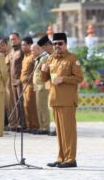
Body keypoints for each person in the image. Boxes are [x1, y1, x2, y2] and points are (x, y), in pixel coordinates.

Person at [41, 33, 84, 168]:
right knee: (59, 132)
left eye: (60, 43)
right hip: (55, 99)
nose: (57, 46)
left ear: (65, 44)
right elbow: (44, 79)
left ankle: (71, 159)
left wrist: (63, 79)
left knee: (68, 131)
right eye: (54, 44)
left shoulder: (72, 59)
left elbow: (79, 78)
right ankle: (61, 158)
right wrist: (43, 71)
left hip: (67, 100)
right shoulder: (50, 59)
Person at [37, 35, 57, 136]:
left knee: (58, 108)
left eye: (44, 47)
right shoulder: (47, 56)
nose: (43, 50)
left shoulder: (57, 54)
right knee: (53, 108)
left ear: (49, 45)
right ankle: (57, 128)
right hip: (51, 86)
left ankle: (60, 128)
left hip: (59, 85)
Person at [20, 37, 39, 133]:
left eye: (24, 45)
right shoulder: (25, 56)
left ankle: (35, 126)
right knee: (26, 106)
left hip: (30, 84)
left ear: (30, 45)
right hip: (24, 84)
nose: (22, 47)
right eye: (22, 45)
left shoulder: (33, 57)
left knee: (31, 105)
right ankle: (29, 126)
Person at [32, 43, 50, 135]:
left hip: (42, 86)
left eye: (33, 50)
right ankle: (41, 126)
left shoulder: (44, 58)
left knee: (43, 107)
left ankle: (45, 127)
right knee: (39, 107)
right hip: (37, 86)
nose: (32, 52)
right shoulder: (38, 58)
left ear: (38, 49)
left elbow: (44, 72)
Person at [8, 32, 25, 131]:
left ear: (19, 39)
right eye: (11, 39)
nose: (12, 41)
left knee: (21, 103)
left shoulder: (22, 50)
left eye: (14, 39)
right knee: (15, 104)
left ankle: (24, 124)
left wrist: (21, 79)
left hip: (20, 81)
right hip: (12, 81)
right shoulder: (11, 51)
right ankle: (18, 123)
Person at [0, 39, 15, 129]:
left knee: (10, 103)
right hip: (1, 84)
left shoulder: (11, 55)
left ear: (4, 45)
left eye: (0, 46)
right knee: (4, 104)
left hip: (9, 83)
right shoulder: (0, 56)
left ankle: (13, 123)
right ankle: (6, 122)